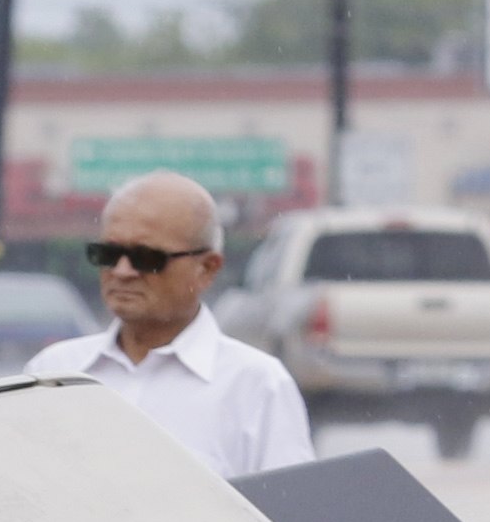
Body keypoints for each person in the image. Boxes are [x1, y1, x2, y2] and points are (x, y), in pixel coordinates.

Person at [31, 171, 314, 478]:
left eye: (146, 257)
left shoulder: (256, 385)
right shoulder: (54, 372)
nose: (123, 271)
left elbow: (291, 516)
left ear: (206, 268)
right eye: (109, 254)